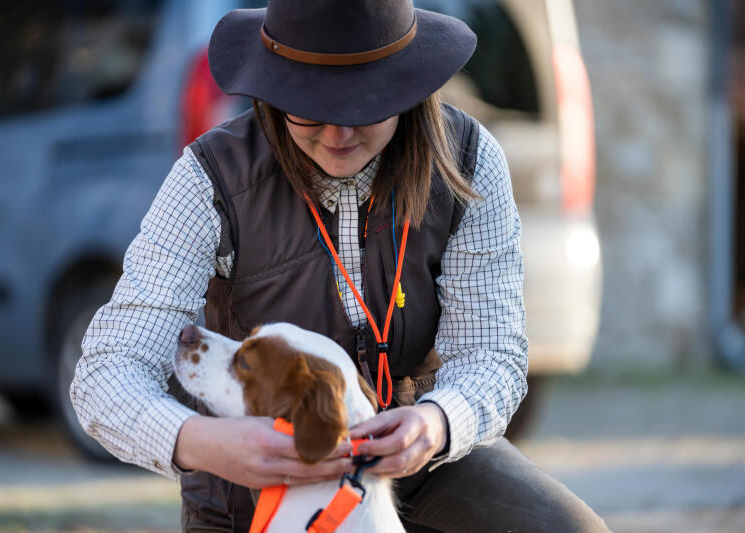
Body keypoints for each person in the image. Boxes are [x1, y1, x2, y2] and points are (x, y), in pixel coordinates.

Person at [71, 1, 610, 531]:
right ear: (274, 85)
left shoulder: (469, 159)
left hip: (418, 464)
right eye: (307, 107)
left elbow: (493, 354)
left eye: (364, 106)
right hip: (255, 481)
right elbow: (105, 372)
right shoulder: (209, 178)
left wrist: (437, 423)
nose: (336, 134)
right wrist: (201, 442)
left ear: (408, 84)